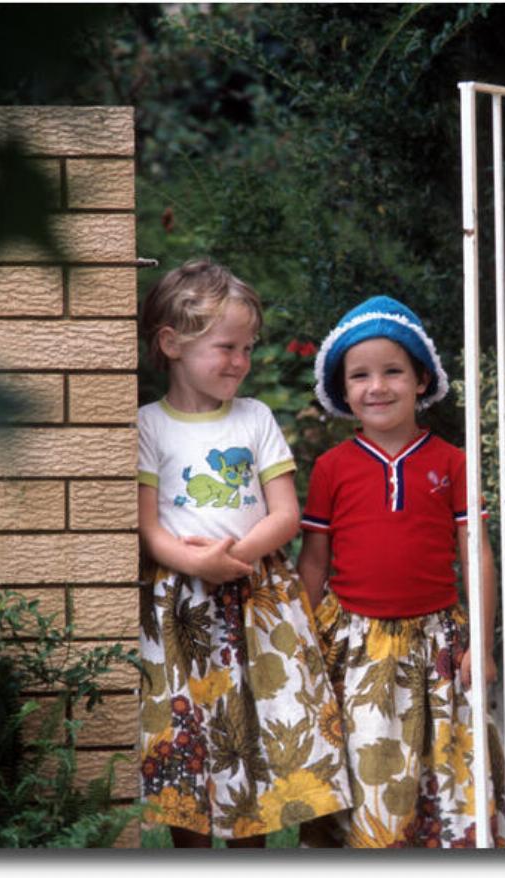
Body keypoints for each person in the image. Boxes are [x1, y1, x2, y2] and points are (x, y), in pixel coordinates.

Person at [136, 259, 350, 848]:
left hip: (256, 599)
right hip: (183, 607)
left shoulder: (254, 418)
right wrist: (195, 564)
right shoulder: (148, 426)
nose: (240, 361)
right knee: (192, 736)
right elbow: (149, 529)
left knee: (251, 738)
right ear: (172, 343)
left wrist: (237, 557)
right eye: (226, 346)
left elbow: (285, 514)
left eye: (248, 348)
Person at [296, 295, 505, 848]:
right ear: (343, 391)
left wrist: (479, 646)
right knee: (369, 772)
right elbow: (314, 561)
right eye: (360, 375)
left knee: (448, 775)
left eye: (393, 371)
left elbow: (476, 553)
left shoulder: (453, 463)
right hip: (356, 645)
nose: (377, 386)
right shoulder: (331, 469)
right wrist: (302, 640)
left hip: (437, 643)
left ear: (421, 380)